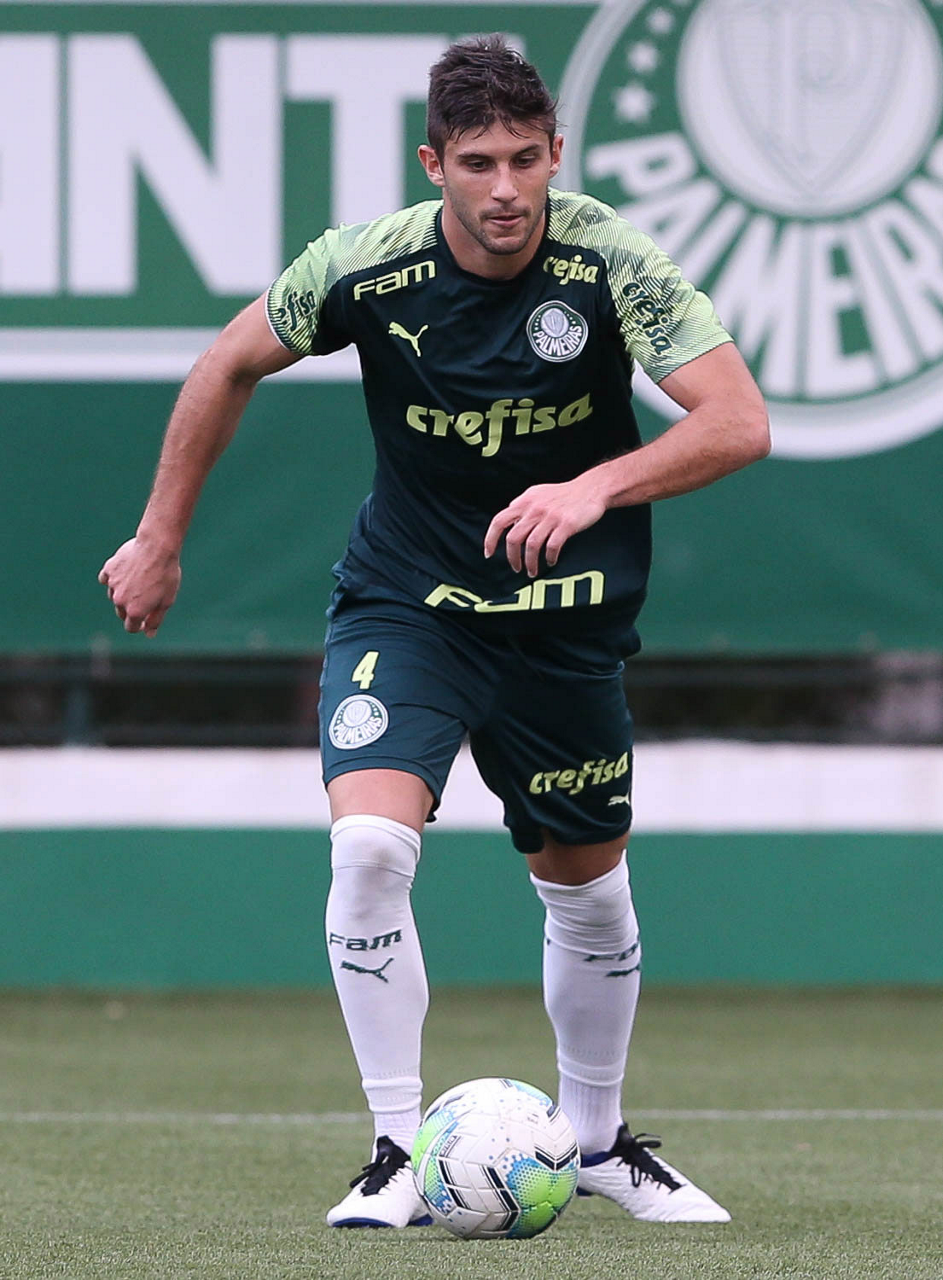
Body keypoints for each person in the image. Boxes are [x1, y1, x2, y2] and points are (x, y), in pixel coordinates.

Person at [99, 35, 769, 1228]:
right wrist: (159, 537)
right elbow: (226, 363)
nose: (505, 188)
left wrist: (594, 485)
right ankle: (395, 1151)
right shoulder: (364, 265)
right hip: (408, 606)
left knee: (587, 893)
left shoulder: (612, 260)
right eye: (476, 163)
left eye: (524, 159)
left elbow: (738, 420)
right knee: (368, 850)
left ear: (556, 151)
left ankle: (598, 1141)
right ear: (433, 164)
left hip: (563, 622)